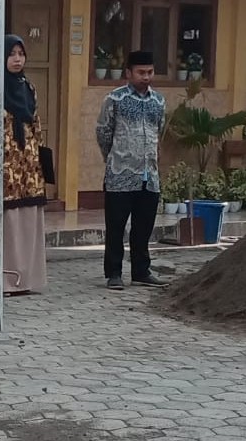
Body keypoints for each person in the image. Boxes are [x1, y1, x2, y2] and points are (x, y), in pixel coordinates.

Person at [0, 34, 47, 296]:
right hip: (4, 166)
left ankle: (25, 280)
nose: (17, 59)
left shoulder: (28, 88)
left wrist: (41, 163)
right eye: (11, 54)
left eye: (21, 54)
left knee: (27, 220)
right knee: (5, 220)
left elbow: (36, 126)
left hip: (29, 166)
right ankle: (2, 280)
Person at [96, 50, 167, 290]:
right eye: (141, 72)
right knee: (116, 227)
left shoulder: (159, 102)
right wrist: (114, 157)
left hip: (149, 175)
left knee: (143, 227)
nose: (146, 77)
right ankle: (114, 273)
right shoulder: (114, 99)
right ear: (128, 73)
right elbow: (103, 132)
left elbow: (159, 132)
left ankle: (141, 271)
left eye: (150, 72)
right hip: (120, 174)